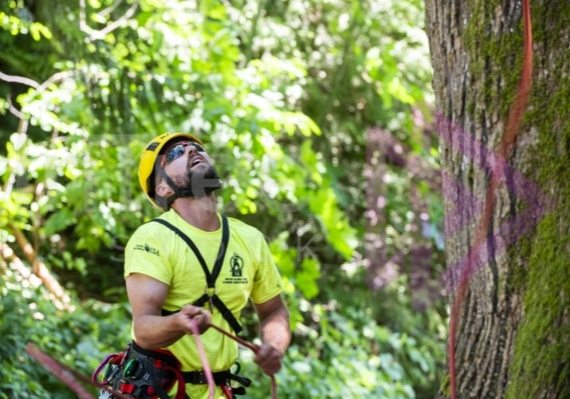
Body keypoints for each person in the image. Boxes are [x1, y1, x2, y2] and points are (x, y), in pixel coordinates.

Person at [123, 132, 291, 399]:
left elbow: (273, 310)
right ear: (163, 188)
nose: (191, 150)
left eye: (196, 147)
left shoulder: (249, 239)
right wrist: (178, 323)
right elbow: (144, 329)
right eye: (176, 153)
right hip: (160, 391)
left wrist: (274, 345)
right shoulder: (153, 238)